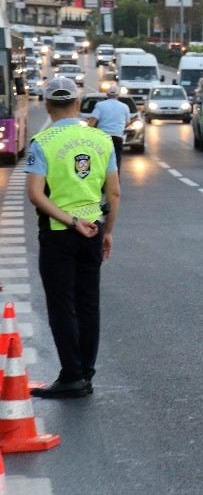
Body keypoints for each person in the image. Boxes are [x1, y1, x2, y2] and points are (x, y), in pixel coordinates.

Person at [26, 78, 120, 399]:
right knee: (88, 303)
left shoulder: (41, 142)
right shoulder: (102, 140)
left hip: (58, 234)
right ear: (79, 105)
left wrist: (71, 221)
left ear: (49, 106)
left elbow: (35, 195)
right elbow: (115, 192)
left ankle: (71, 375)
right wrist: (107, 231)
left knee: (62, 305)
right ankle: (86, 374)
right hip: (93, 230)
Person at [86, 84, 130, 168]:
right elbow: (127, 122)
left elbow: (92, 121)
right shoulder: (124, 107)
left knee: (102, 160)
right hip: (117, 137)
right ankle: (115, 179)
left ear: (107, 94)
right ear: (118, 95)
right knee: (116, 160)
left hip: (103, 137)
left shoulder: (100, 105)